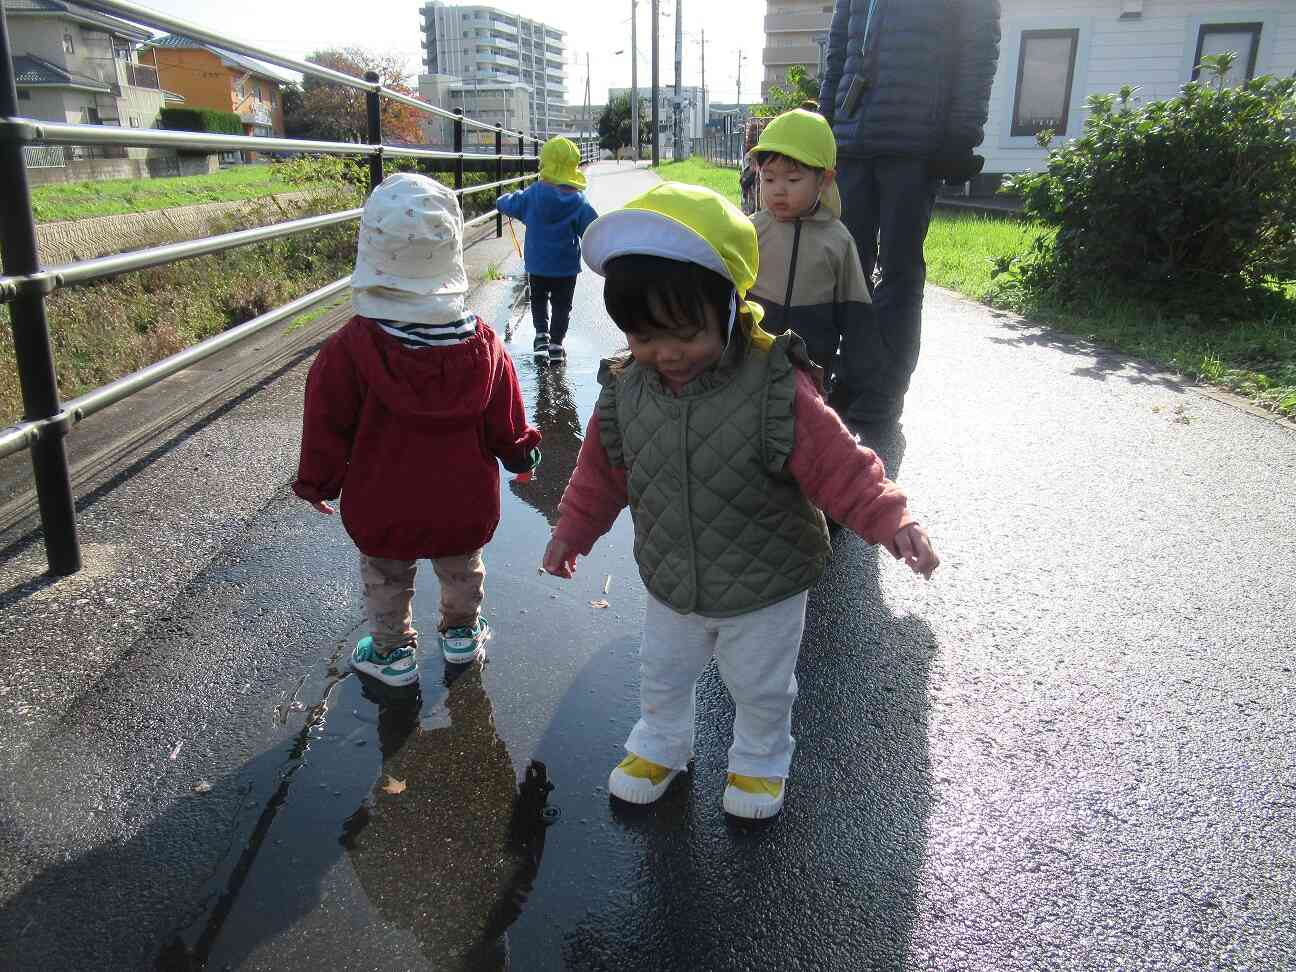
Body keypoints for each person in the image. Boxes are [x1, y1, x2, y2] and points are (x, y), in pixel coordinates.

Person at [540, 183, 939, 820]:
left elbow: (841, 466)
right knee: (663, 672)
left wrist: (891, 517)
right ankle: (661, 744)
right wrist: (571, 530)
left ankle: (758, 758)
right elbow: (600, 471)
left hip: (767, 581)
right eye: (643, 337)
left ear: (729, 306)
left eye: (683, 332)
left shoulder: (773, 384)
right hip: (674, 576)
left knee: (759, 685)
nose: (664, 353)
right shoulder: (628, 389)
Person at [293, 172, 541, 685]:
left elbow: (326, 421)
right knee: (462, 566)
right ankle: (461, 635)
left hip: (383, 499)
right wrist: (520, 459)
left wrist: (318, 483)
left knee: (386, 574)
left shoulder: (350, 349)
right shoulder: (484, 345)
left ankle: (391, 653)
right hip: (462, 498)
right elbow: (507, 417)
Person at [818, 0, 1001, 423]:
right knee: (847, 266)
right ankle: (847, 375)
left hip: (917, 142)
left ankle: (885, 388)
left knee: (898, 270)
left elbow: (978, 45)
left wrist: (962, 132)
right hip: (851, 140)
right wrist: (822, 131)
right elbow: (838, 51)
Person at [747, 106, 873, 397]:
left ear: (824, 180)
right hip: (752, 369)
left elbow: (856, 318)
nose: (778, 190)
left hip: (811, 372)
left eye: (792, 180)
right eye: (768, 178)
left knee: (805, 437)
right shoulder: (751, 231)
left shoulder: (838, 241)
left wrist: (851, 382)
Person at [497, 136, 599, 363]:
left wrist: (503, 199)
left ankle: (541, 334)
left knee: (538, 299)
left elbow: (507, 203)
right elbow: (593, 229)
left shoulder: (533, 194)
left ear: (545, 163)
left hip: (538, 264)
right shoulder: (578, 200)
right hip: (566, 267)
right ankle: (556, 344)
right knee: (562, 306)